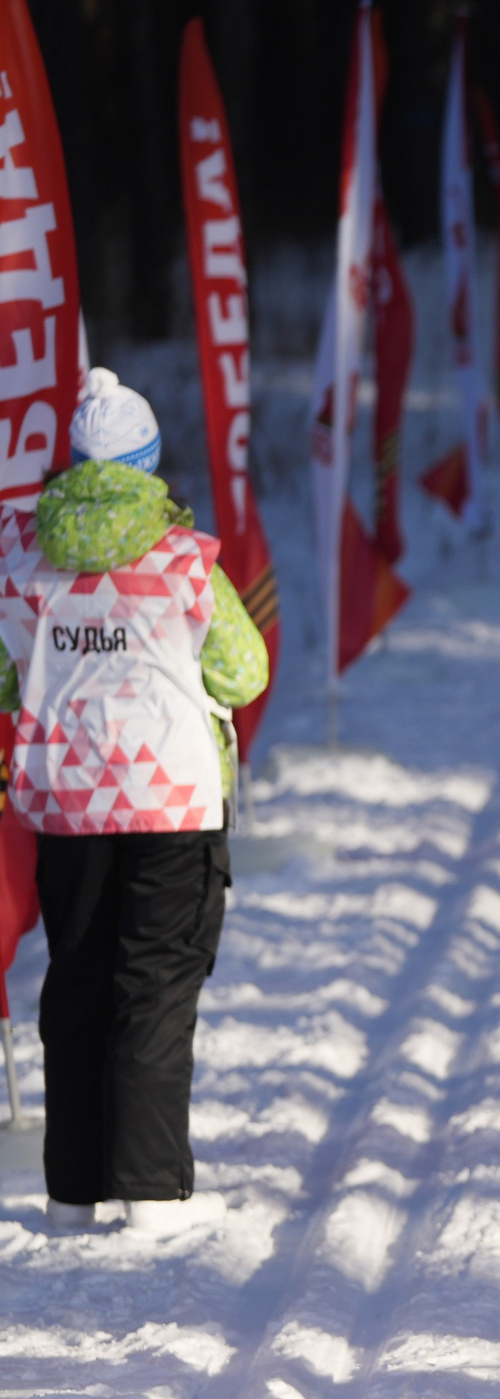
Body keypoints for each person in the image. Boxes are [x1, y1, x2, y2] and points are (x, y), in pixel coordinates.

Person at [0, 370, 269, 1236]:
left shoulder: (23, 561)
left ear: (74, 464)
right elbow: (244, 669)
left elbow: (5, 679)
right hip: (173, 806)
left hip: (68, 810)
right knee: (153, 987)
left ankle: (73, 1193)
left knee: (76, 983)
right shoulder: (185, 561)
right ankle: (151, 1195)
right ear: (150, 462)